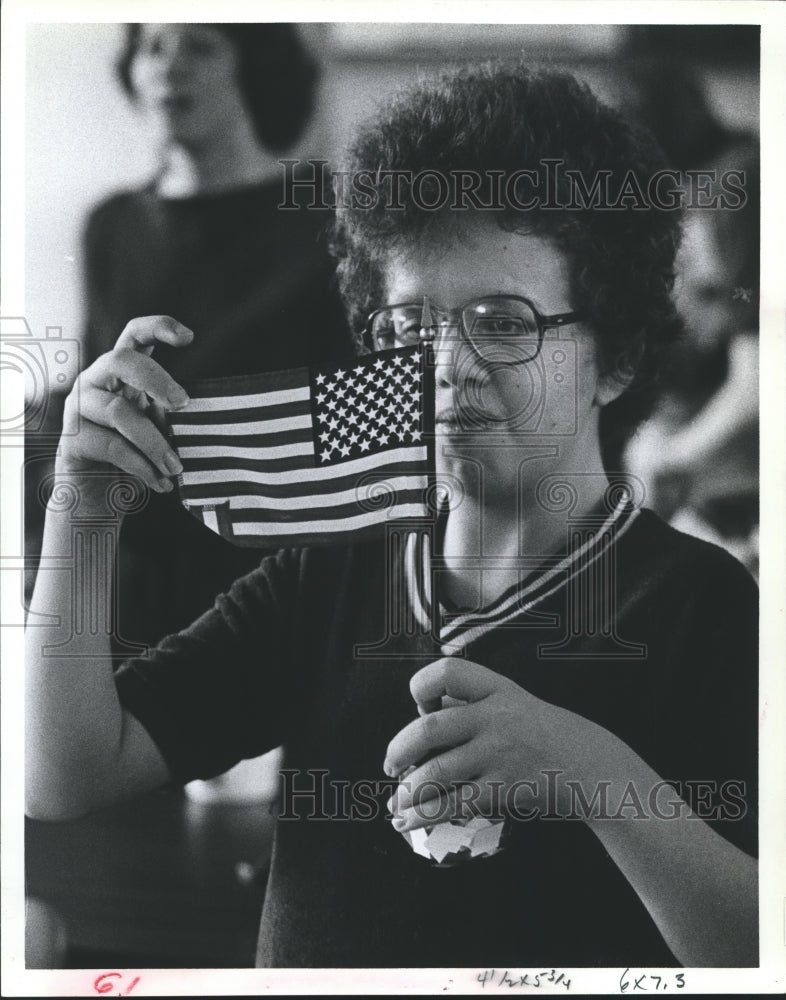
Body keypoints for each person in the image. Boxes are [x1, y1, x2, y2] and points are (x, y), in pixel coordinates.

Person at [26, 65, 758, 969]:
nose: (445, 364)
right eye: (411, 326)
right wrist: (82, 516)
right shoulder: (327, 574)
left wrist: (597, 778)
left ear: (615, 357)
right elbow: (64, 774)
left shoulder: (705, 611)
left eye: (502, 321)